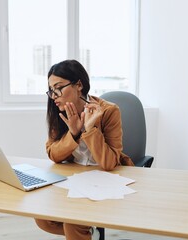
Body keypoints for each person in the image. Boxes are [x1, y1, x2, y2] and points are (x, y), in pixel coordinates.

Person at [35, 59, 133, 240]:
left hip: (104, 177)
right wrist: (73, 134)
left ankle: (83, 232)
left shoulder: (109, 111)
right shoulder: (58, 111)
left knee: (73, 222)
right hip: (74, 178)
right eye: (51, 90)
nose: (54, 95)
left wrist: (89, 129)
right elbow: (53, 155)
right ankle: (88, 233)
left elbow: (109, 162)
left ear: (79, 84)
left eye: (59, 88)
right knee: (43, 218)